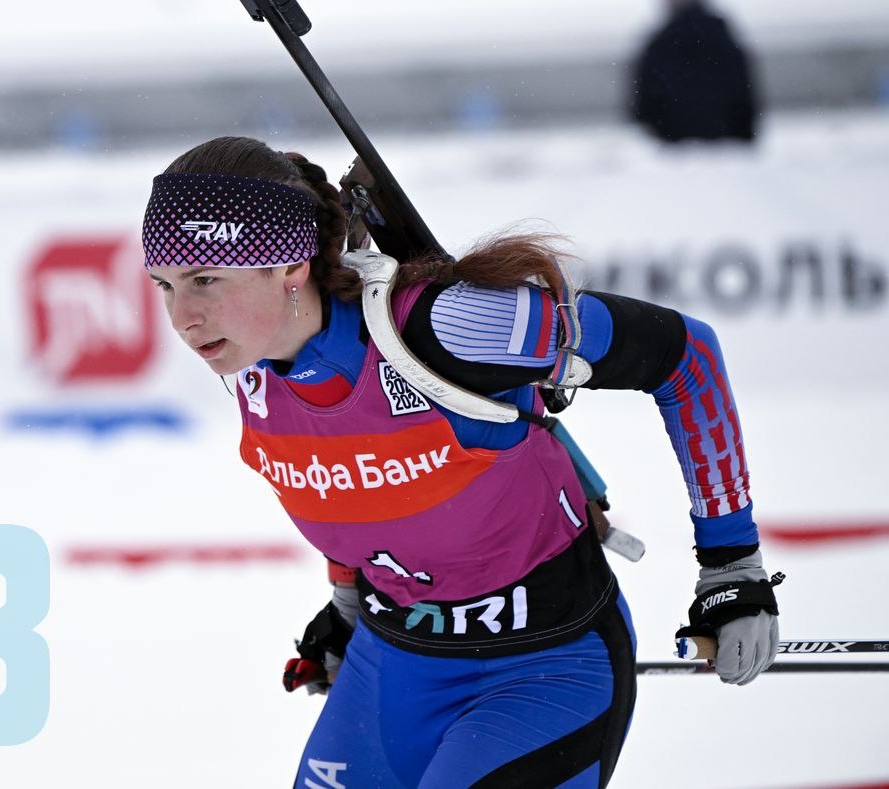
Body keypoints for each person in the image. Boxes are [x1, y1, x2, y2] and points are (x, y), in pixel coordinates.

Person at [141, 135, 780, 788]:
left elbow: (686, 356)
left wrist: (731, 564)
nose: (182, 317)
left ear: (290, 266)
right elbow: (348, 484)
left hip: (541, 669)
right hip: (392, 668)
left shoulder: (447, 329)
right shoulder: (251, 371)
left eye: (205, 280)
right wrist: (348, 601)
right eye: (164, 284)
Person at [631, 0, 760, 143]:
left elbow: (643, 111)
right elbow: (745, 106)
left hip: (671, 149)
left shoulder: (658, 46)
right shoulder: (725, 41)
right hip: (725, 147)